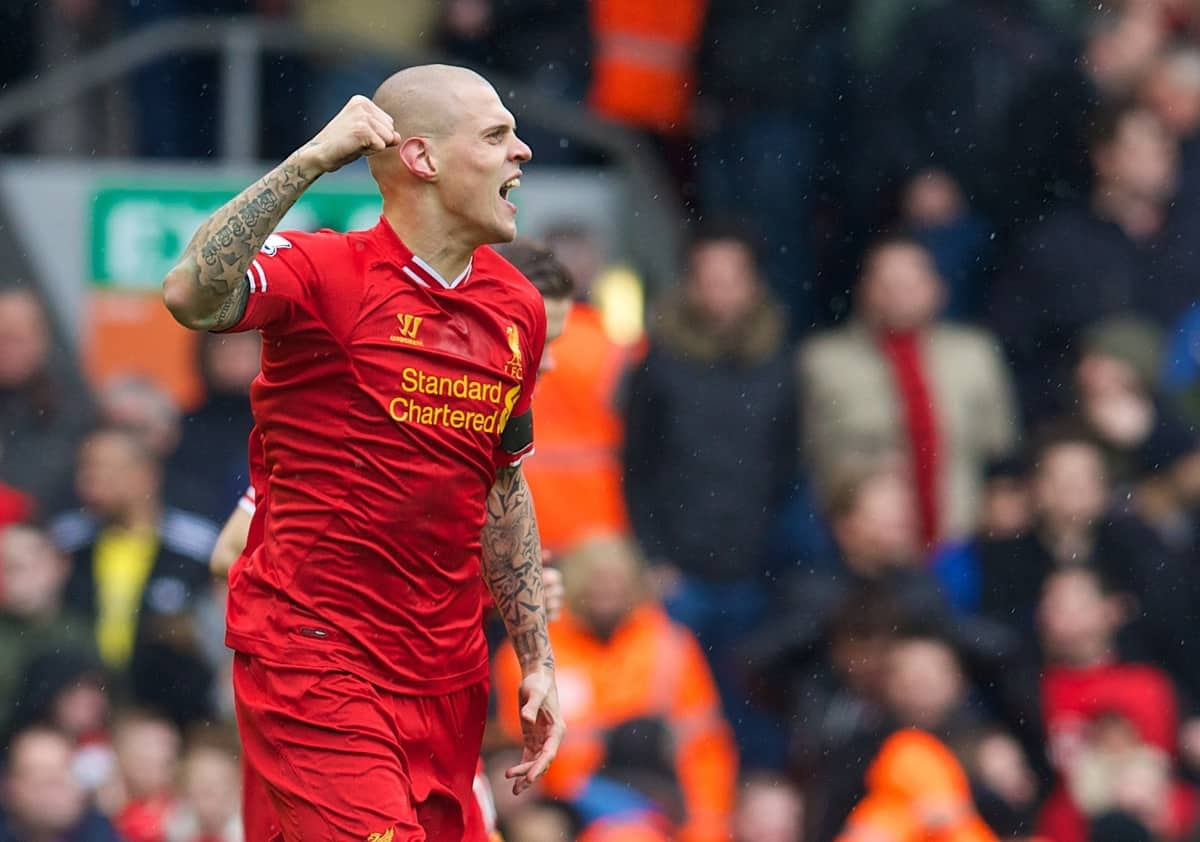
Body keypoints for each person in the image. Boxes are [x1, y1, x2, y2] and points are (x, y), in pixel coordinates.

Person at [162, 65, 562, 842]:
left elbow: (502, 486)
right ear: (421, 158)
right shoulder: (326, 273)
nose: (524, 152)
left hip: (446, 676)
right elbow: (190, 294)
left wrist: (536, 656)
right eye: (496, 134)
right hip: (317, 660)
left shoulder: (518, 307)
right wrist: (311, 159)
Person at [208, 237, 575, 842]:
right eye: (547, 342)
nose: (549, 361)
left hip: (420, 706)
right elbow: (231, 551)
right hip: (331, 707)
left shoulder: (477, 431)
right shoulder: (370, 420)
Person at [0, 726, 122, 842]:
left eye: (66, 768)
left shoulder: (106, 832)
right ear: (7, 787)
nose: (57, 781)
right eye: (38, 772)